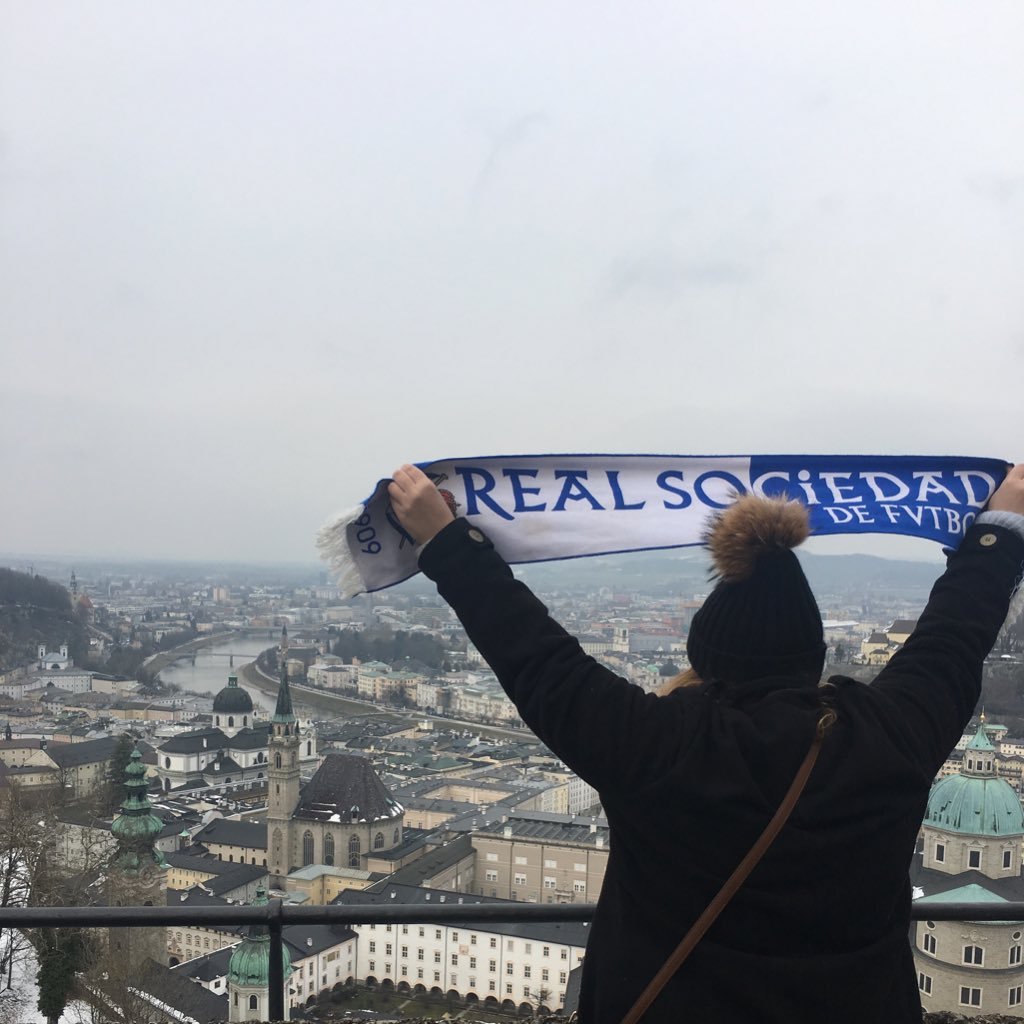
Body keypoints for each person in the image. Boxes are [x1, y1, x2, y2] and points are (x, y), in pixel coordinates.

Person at [387, 462, 1024, 1023]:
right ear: (813, 657)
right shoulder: (886, 740)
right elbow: (953, 639)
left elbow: (533, 654)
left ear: (705, 656)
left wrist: (446, 542)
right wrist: (997, 534)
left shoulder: (656, 745)